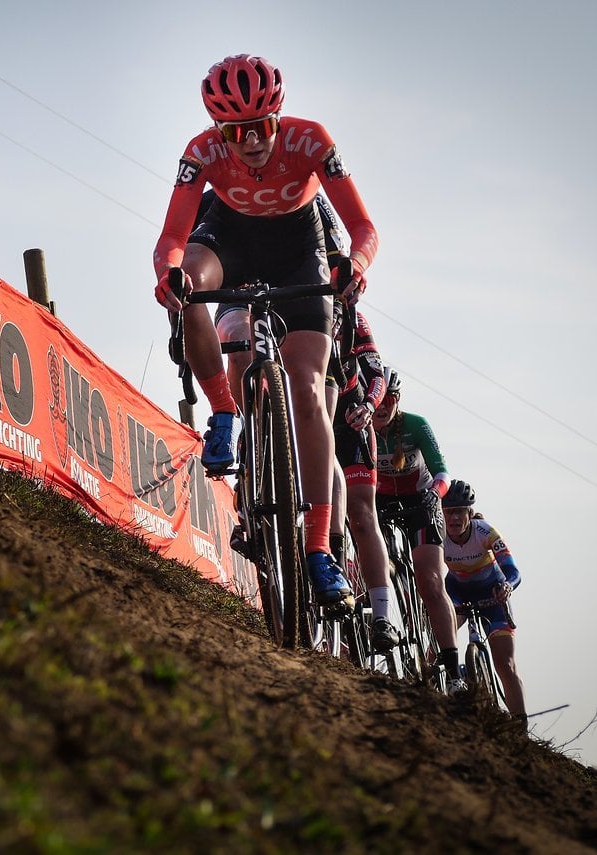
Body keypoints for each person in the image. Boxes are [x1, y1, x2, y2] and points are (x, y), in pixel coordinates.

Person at [153, 54, 378, 606]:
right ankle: (224, 411)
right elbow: (172, 238)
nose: (251, 141)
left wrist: (357, 264)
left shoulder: (312, 141)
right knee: (191, 290)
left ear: (279, 116)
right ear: (218, 129)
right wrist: (168, 275)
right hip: (232, 238)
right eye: (236, 131)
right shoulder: (201, 152)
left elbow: (363, 226)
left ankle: (319, 550)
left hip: (299, 250)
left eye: (262, 126)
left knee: (306, 388)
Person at [371, 369, 466, 693]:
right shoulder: (361, 423)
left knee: (429, 580)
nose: (382, 406)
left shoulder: (415, 424)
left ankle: (454, 673)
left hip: (421, 500)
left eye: (390, 399)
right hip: (381, 500)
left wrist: (434, 493)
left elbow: (442, 472)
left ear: (397, 400)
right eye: (378, 399)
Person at [327, 304, 401, 651]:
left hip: (350, 419)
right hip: (309, 416)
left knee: (361, 513)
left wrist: (370, 406)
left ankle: (383, 617)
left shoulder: (351, 314)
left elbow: (376, 374)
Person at [441, 479, 527, 719]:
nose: (453, 518)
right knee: (437, 640)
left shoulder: (485, 532)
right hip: (458, 591)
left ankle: (521, 726)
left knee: (505, 665)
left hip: (492, 592)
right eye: (448, 512)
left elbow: (513, 572)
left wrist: (507, 587)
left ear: (470, 513)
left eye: (459, 512)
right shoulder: (438, 535)